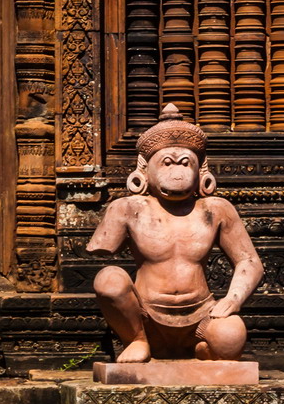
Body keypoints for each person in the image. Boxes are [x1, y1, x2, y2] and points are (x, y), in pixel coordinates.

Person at [88, 104, 263, 362]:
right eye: (167, 163)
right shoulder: (128, 208)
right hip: (145, 316)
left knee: (231, 338)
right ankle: (137, 340)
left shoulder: (217, 209)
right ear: (145, 170)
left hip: (202, 313)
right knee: (108, 279)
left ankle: (200, 350)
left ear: (200, 170)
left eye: (185, 163)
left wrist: (233, 299)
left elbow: (249, 261)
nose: (177, 173)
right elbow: (102, 249)